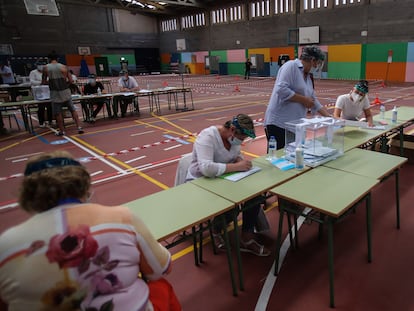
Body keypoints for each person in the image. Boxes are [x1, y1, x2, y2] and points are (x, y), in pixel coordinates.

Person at [0, 151, 182, 311]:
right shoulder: (122, 217)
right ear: (83, 185)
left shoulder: (6, 244)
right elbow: (161, 269)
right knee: (160, 286)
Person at [186, 114, 271, 257]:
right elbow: (206, 168)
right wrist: (237, 166)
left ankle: (247, 237)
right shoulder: (207, 137)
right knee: (230, 205)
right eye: (241, 138)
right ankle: (216, 230)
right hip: (200, 182)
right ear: (232, 129)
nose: (241, 142)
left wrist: (240, 160)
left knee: (255, 195)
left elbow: (235, 156)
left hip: (223, 178)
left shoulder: (233, 140)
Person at [264, 45, 331, 150]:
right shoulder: (291, 66)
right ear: (312, 60)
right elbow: (281, 89)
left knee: (293, 155)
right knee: (278, 156)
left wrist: (329, 117)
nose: (317, 67)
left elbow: (313, 99)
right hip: (279, 123)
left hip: (295, 124)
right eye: (317, 63)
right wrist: (304, 100)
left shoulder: (308, 76)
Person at [42, 51, 84, 136]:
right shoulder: (64, 67)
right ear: (57, 59)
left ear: (49, 59)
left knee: (58, 113)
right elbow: (71, 81)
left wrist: (51, 83)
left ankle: (62, 131)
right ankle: (79, 127)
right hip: (65, 92)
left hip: (55, 93)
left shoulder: (46, 68)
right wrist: (65, 84)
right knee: (72, 110)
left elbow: (43, 81)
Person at [30, 59, 53, 128]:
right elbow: (32, 81)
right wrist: (41, 82)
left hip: (47, 91)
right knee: (41, 108)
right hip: (39, 92)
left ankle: (50, 120)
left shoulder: (47, 72)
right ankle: (41, 122)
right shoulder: (33, 72)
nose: (41, 66)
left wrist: (46, 82)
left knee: (49, 107)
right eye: (40, 65)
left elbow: (49, 80)